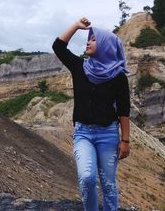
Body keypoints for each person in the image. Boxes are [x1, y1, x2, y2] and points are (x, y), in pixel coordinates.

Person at [52, 17, 130, 211]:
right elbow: (58, 47)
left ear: (106, 45)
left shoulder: (118, 76)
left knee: (109, 184)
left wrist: (125, 141)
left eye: (93, 39)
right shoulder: (80, 68)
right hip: (83, 133)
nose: (88, 41)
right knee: (87, 177)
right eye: (89, 38)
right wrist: (76, 27)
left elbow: (123, 110)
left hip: (108, 134)